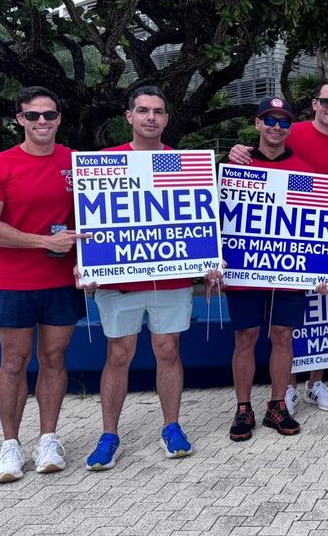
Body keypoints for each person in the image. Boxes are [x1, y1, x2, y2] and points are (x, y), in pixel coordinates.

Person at [229, 79, 328, 412]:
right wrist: (236, 150)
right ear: (315, 104)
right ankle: (283, 390)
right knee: (268, 333)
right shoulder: (293, 134)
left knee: (314, 324)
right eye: (326, 101)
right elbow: (261, 159)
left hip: (323, 247)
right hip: (261, 255)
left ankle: (314, 383)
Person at [0, 86, 86, 483]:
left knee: (54, 359)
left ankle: (49, 438)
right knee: (14, 363)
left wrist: (91, 264)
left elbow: (100, 217)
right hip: (14, 281)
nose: (42, 122)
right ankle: (10, 445)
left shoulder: (76, 162)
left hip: (61, 282)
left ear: (59, 119)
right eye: (33, 116)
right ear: (19, 119)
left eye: (49, 115)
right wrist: (42, 241)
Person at [85, 86, 198, 470]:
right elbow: (88, 223)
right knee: (119, 354)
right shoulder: (105, 162)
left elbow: (199, 222)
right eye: (143, 110)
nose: (151, 117)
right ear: (129, 116)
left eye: (158, 111)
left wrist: (209, 260)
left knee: (168, 350)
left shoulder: (183, 164)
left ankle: (172, 427)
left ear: (166, 119)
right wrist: (87, 265)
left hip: (171, 278)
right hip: (120, 280)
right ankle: (108, 434)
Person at [225, 97, 318, 441]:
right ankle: (243, 407)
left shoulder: (305, 172)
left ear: (290, 128)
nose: (277, 127)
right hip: (244, 268)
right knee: (245, 338)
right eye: (270, 120)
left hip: (288, 268)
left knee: (282, 336)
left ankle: (277, 405)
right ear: (257, 124)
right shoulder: (236, 164)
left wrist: (318, 270)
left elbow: (314, 225)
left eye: (284, 122)